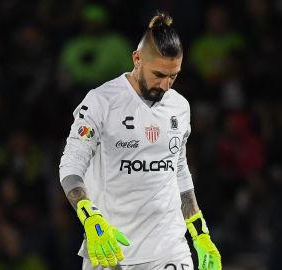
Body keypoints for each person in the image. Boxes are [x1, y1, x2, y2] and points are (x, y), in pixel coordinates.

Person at [59, 12, 222, 270]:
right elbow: (70, 166)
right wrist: (89, 218)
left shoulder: (179, 106)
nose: (166, 85)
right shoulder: (101, 102)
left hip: (169, 249)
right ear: (137, 58)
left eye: (173, 76)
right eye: (159, 74)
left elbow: (178, 170)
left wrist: (200, 234)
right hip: (111, 250)